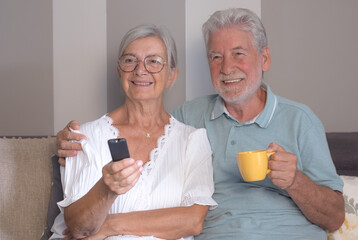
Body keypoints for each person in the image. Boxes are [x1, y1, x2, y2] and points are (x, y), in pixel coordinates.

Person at [56, 8, 345, 240]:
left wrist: (296, 181)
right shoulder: (190, 120)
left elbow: (335, 217)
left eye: (238, 54)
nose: (227, 67)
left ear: (265, 58)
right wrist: (68, 139)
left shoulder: (300, 120)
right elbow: (146, 119)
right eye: (216, 57)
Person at [50, 24, 217, 240]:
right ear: (120, 72)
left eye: (154, 61)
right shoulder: (85, 137)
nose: (140, 69)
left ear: (171, 76)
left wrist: (110, 225)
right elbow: (78, 228)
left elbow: (192, 222)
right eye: (130, 60)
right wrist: (106, 190)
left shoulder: (192, 141)